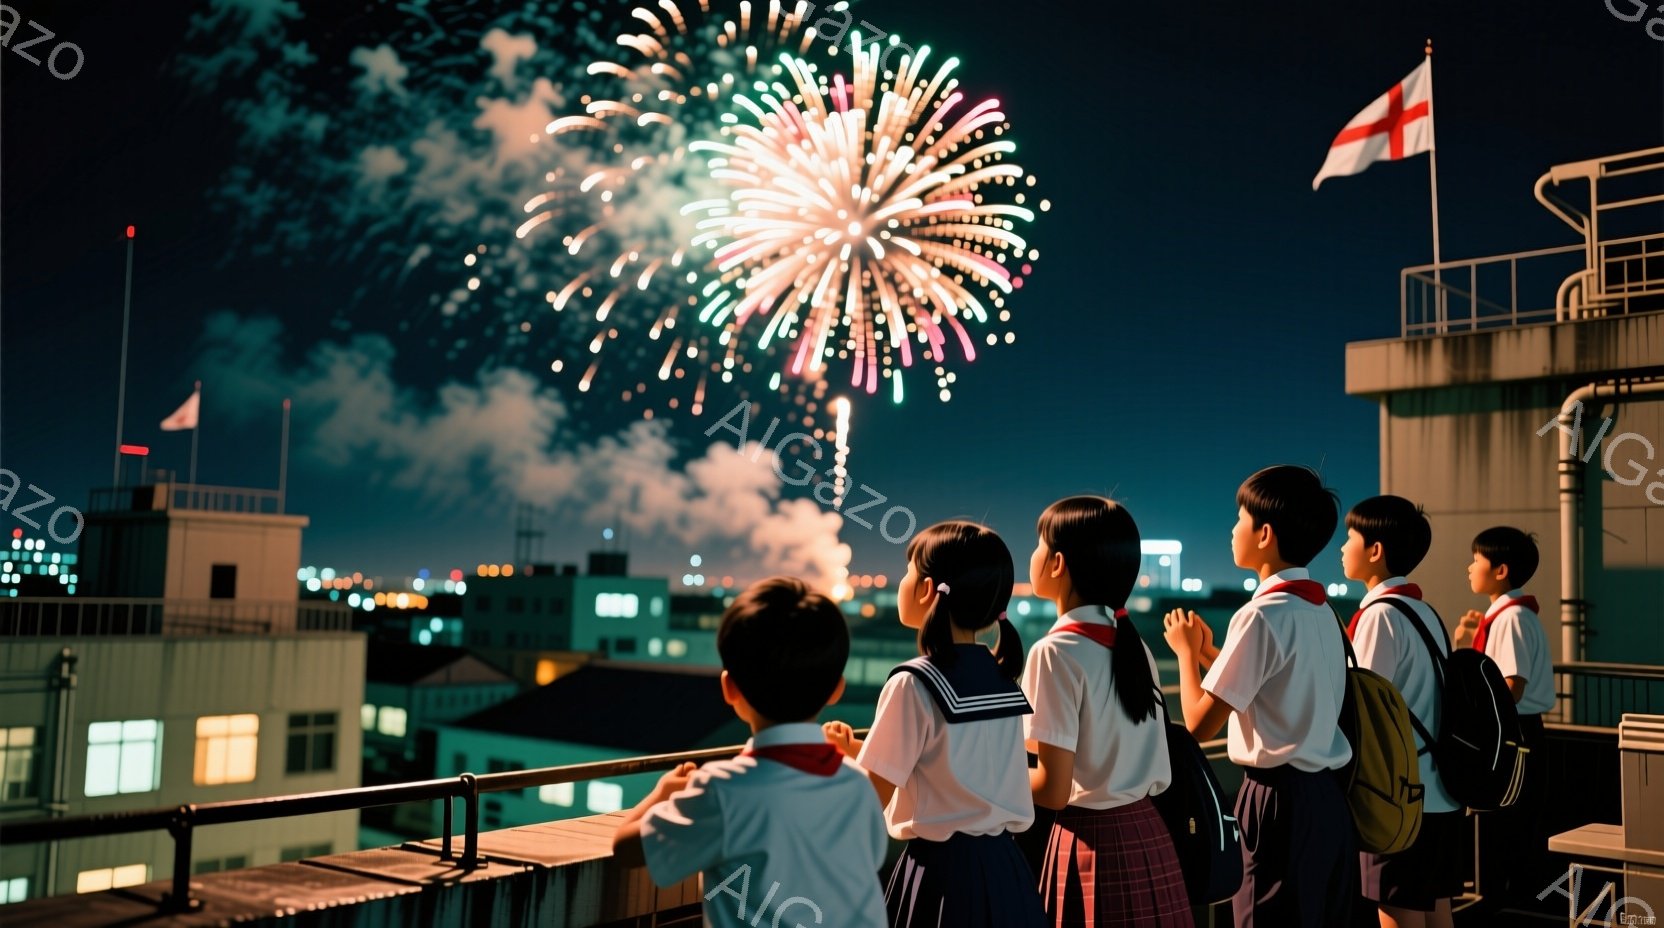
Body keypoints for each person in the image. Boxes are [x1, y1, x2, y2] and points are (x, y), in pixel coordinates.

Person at [612, 577, 888, 928]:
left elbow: (626, 849)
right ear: (836, 690)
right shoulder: (858, 784)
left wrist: (663, 793)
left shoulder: (721, 791)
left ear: (730, 688)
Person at [824, 520, 1047, 928]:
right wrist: (858, 752)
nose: (902, 582)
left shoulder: (913, 681)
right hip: (1006, 869)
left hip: (942, 875)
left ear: (928, 590)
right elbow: (955, 767)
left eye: (908, 571)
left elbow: (871, 796)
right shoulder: (1000, 676)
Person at [1163, 464, 1356, 927]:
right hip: (1327, 801)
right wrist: (1216, 655)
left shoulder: (1260, 616)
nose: (1232, 531)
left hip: (1276, 804)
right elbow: (1277, 687)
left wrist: (1187, 655)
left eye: (1240, 519)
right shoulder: (1320, 609)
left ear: (1265, 533)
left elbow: (1198, 724)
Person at [1022, 496, 1192, 926]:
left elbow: (1052, 789)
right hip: (1149, 836)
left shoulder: (1054, 653)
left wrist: (985, 770)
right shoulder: (1134, 647)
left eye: (1039, 545)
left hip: (1090, 844)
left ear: (1057, 563)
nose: (1034, 555)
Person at [1340, 495, 1461, 928]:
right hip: (1441, 793)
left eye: (1351, 537)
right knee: (1437, 910)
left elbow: (1362, 706)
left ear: (1376, 551)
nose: (1342, 547)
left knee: (1398, 913)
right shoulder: (1424, 611)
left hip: (1399, 798)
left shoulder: (1379, 616)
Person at [1454, 526, 1555, 914]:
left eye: (1476, 560)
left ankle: (1505, 908)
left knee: (1506, 828)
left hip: (1515, 736)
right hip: (1521, 733)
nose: (1469, 567)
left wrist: (1473, 715)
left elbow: (1511, 686)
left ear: (1500, 570)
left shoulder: (1512, 619)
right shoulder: (1511, 615)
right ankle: (1509, 902)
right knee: (1511, 829)